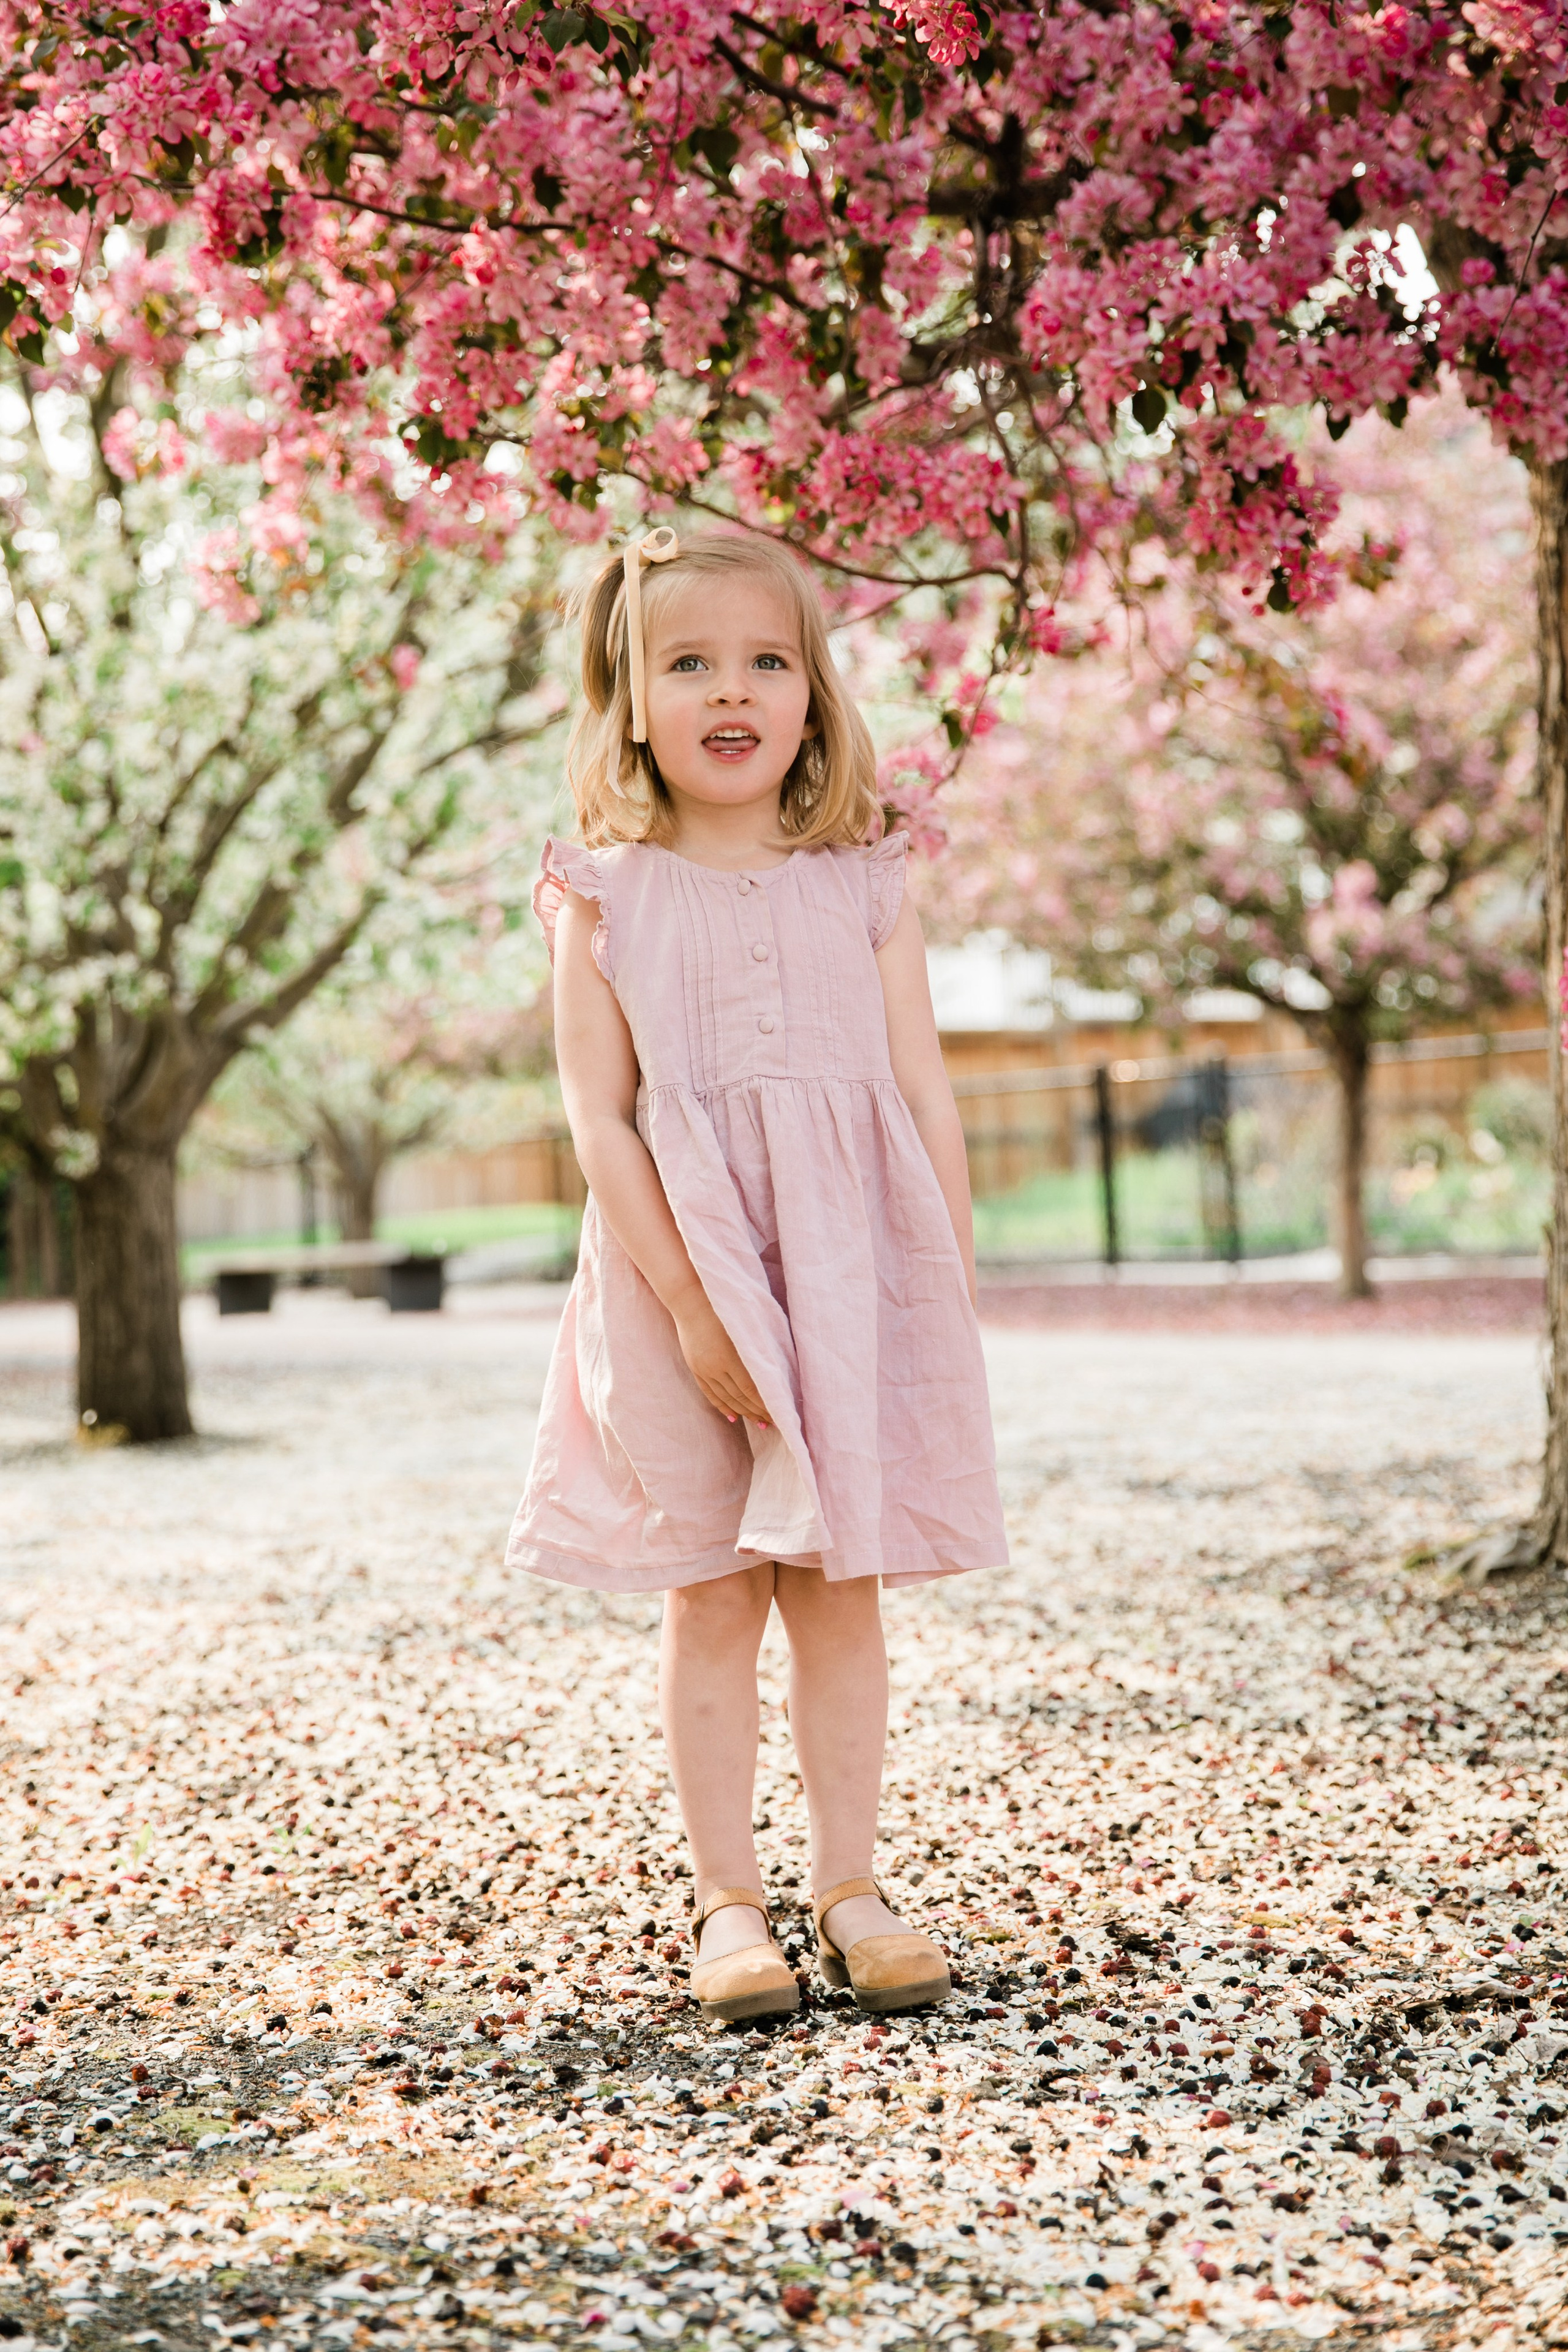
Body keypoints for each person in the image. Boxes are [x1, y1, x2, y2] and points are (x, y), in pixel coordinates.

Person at [508, 527, 1008, 2021]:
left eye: (766, 660)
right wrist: (683, 1302)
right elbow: (597, 1116)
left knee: (838, 1587)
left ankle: (849, 1881)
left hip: (851, 1273)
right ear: (633, 695)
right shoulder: (607, 891)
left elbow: (918, 1092)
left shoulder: (865, 880)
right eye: (689, 662)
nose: (732, 690)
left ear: (812, 692)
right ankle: (730, 1900)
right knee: (717, 1590)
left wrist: (947, 1283)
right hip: (683, 1271)